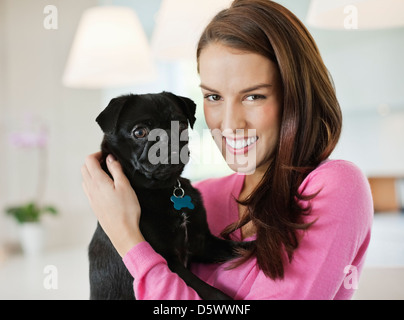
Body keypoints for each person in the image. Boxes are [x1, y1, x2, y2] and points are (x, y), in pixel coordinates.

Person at [81, 0, 373, 300]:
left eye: (254, 96)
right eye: (214, 96)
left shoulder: (335, 186)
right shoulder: (198, 197)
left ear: (296, 98)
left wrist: (127, 239)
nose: (230, 123)